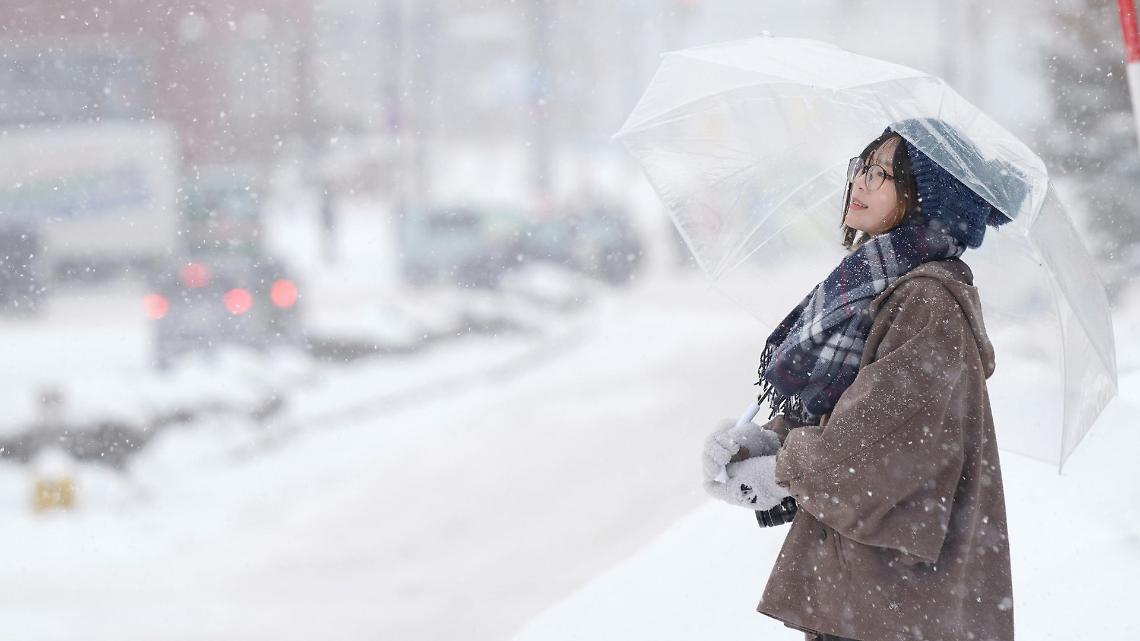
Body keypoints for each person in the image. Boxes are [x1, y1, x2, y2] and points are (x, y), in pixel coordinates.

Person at [701, 119, 1017, 641]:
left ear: (925, 197)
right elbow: (845, 412)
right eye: (862, 167)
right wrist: (766, 440)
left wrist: (780, 470)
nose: (861, 183)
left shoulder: (927, 301)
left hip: (899, 601)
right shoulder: (874, 282)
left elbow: (876, 446)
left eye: (882, 174)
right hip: (871, 589)